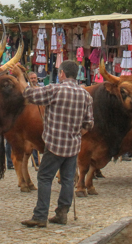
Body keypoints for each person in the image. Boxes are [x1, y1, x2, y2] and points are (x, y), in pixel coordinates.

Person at [12, 60, 93, 227]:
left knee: (44, 177)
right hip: (73, 144)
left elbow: (29, 94)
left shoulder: (55, 89)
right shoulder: (85, 94)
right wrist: (76, 134)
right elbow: (89, 124)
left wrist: (20, 76)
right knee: (68, 180)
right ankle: (62, 214)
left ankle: (40, 216)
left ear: (61, 73)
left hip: (55, 143)